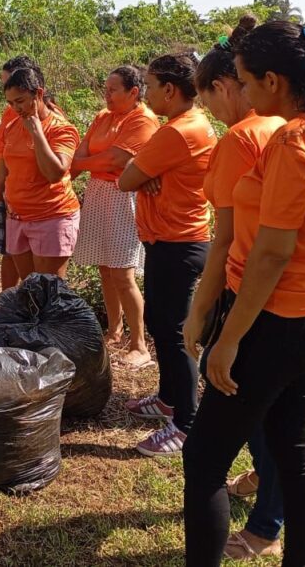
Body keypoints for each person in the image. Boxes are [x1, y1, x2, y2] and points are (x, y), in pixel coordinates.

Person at [182, 21, 305, 567]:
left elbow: (272, 254)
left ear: (273, 80)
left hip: (276, 320)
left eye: (244, 82)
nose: (241, 93)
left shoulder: (295, 141)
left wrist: (230, 341)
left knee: (203, 460)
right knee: (294, 453)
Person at [183, 16, 287, 560]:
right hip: (290, 298)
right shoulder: (285, 127)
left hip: (247, 291)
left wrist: (198, 315)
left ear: (225, 86)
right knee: (276, 412)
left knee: (234, 405)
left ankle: (267, 522)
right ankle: (269, 493)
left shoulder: (240, 139)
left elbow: (222, 243)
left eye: (214, 98)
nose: (215, 112)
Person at [118, 52, 216, 457]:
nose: (147, 93)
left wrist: (144, 174)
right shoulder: (182, 125)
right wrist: (146, 174)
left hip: (179, 243)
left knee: (175, 334)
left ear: (170, 91)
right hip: (169, 239)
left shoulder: (177, 132)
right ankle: (168, 399)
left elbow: (126, 178)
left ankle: (187, 424)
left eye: (151, 85)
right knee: (161, 323)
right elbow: (137, 173)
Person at [72, 65, 159, 367]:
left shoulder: (143, 119)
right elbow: (80, 154)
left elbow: (117, 159)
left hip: (125, 198)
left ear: (133, 92)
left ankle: (139, 344)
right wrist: (94, 164)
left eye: (112, 90)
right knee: (106, 268)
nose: (105, 95)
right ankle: (114, 331)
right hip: (99, 194)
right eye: (105, 89)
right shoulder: (102, 117)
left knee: (123, 272)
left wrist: (88, 163)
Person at [0, 67, 81, 280]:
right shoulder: (11, 128)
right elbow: (1, 176)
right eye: (10, 103)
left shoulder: (61, 129)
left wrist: (37, 133)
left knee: (49, 293)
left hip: (52, 218)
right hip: (17, 218)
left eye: (20, 101)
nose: (15, 108)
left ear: (38, 94)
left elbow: (55, 173)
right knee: (29, 288)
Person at [0, 55, 51, 290]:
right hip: (6, 191)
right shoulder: (12, 116)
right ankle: (8, 303)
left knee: (41, 275)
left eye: (9, 81)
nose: (13, 104)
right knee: (9, 251)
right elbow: (1, 157)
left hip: (36, 206)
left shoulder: (49, 119)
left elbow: (58, 168)